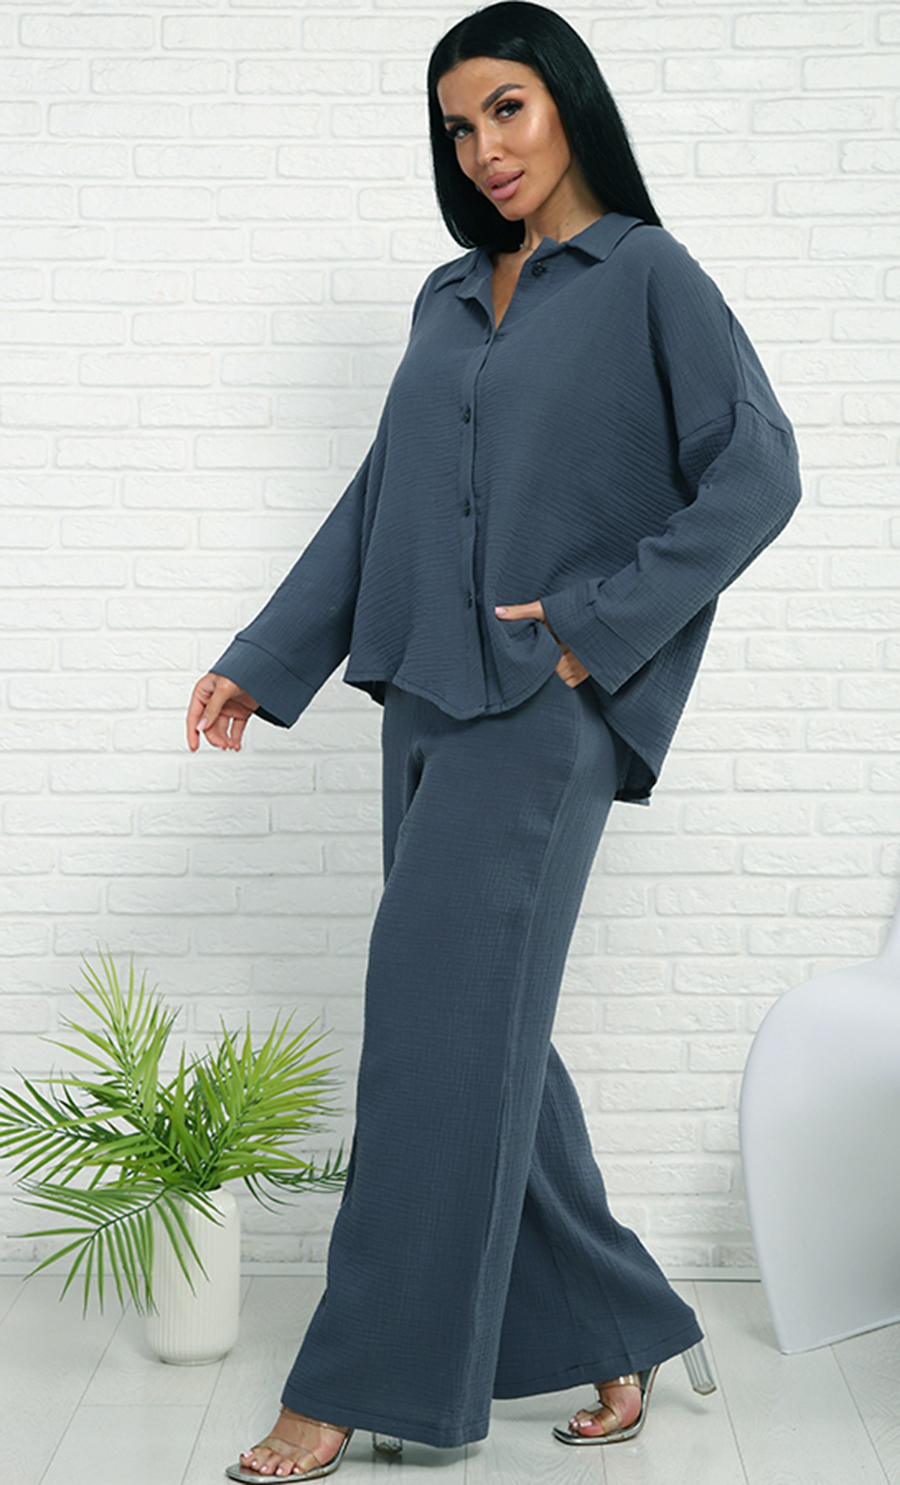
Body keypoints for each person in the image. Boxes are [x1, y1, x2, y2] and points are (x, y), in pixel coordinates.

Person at [186, 3, 801, 1478]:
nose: (483, 148)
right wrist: (263, 658)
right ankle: (618, 1322)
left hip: (540, 715)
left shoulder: (649, 276)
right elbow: (382, 495)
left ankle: (351, 1385)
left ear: (568, 103)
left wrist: (595, 626)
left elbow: (758, 472)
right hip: (422, 701)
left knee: (428, 1035)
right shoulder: (451, 295)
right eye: (459, 126)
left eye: (506, 109)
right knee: (479, 1026)